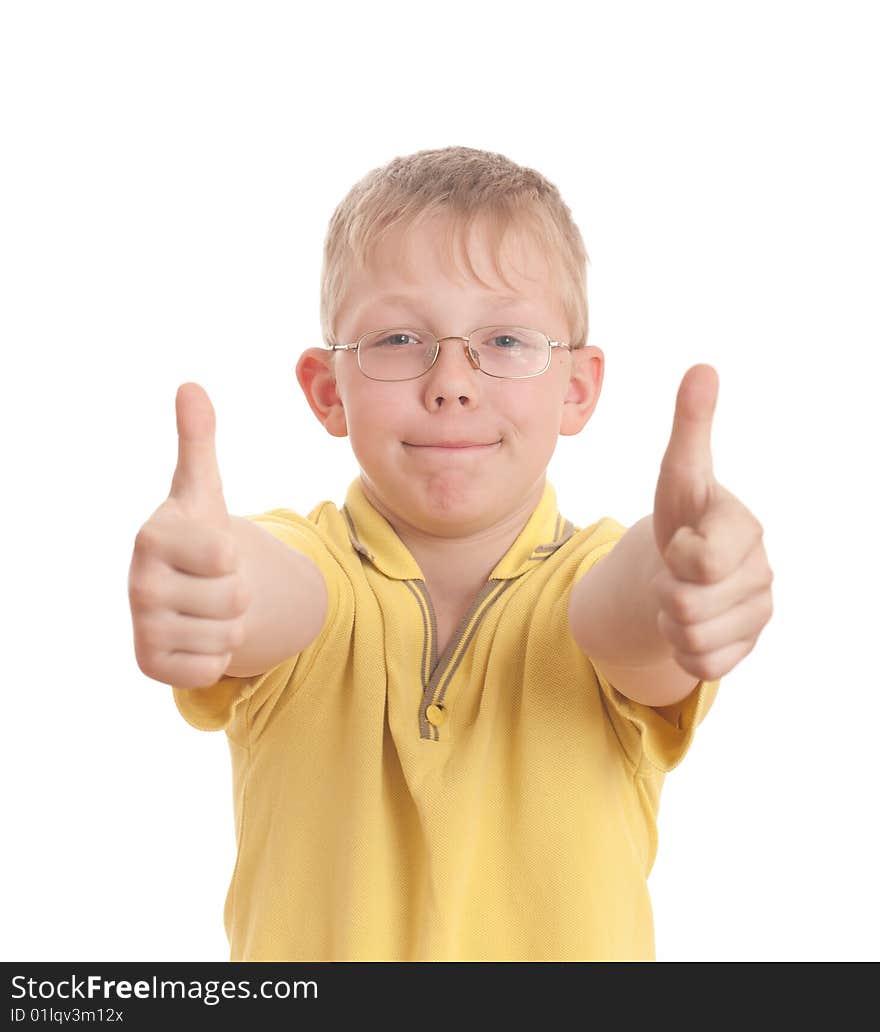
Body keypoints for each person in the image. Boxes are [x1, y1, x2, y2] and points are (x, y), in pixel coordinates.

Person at [127, 145, 774, 961]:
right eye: (400, 338)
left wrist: (683, 570)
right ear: (329, 391)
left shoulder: (598, 585)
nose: (452, 383)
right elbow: (266, 587)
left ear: (575, 387)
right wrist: (210, 582)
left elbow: (630, 612)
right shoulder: (310, 567)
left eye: (505, 339)